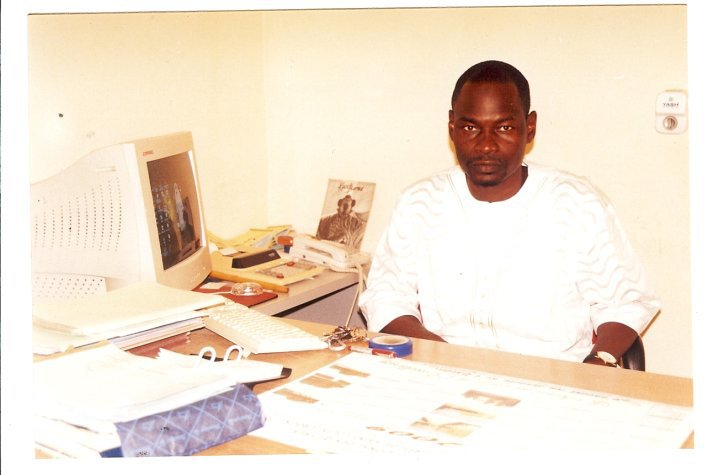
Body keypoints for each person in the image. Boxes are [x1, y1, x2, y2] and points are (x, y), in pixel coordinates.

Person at [358, 60, 660, 366]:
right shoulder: (419, 202)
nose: (486, 145)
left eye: (504, 128)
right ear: (452, 128)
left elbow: (626, 301)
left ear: (530, 129)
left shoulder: (577, 202)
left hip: (550, 372)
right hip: (442, 367)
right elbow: (386, 296)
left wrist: (600, 360)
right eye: (470, 128)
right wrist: (447, 358)